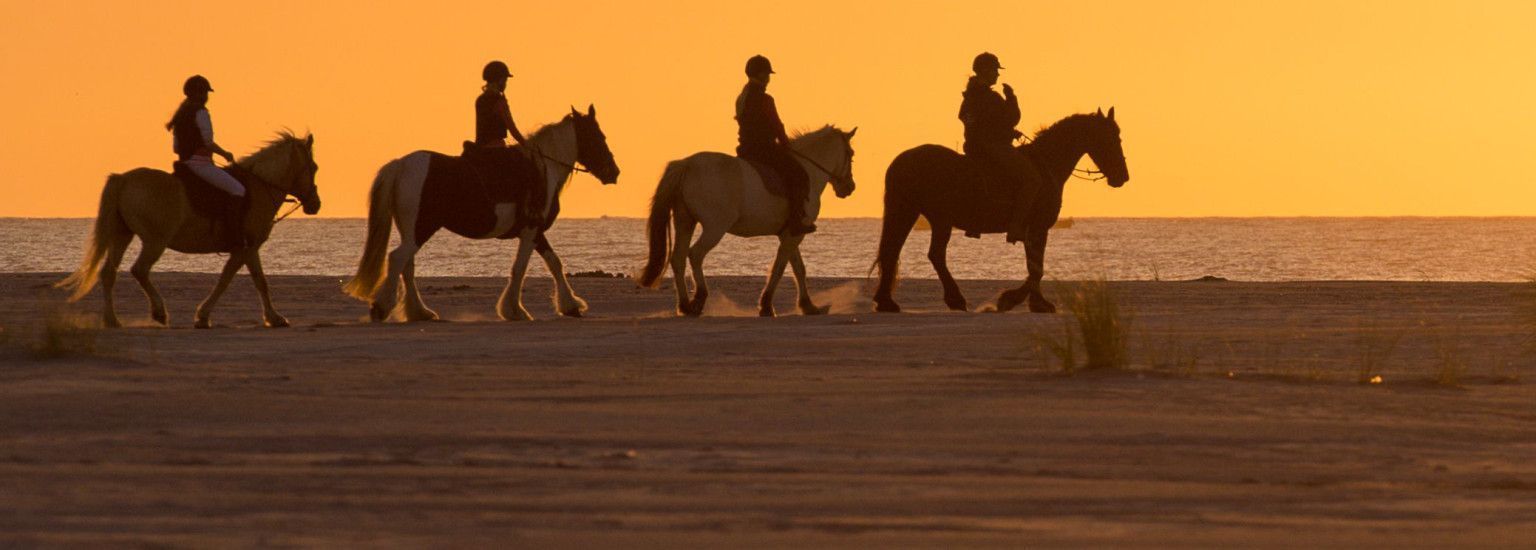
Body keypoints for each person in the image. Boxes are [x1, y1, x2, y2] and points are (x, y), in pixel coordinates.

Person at [958, 52, 1044, 244]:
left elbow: (979, 123)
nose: (997, 75)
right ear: (986, 71)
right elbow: (1011, 118)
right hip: (993, 148)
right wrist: (1011, 97)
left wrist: (1007, 132)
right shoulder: (990, 97)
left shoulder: (970, 97)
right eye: (995, 70)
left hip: (974, 147)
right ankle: (1015, 227)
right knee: (1032, 179)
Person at [736, 55, 814, 235]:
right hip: (765, 149)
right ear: (762, 75)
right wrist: (786, 145)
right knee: (800, 175)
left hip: (745, 149)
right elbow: (777, 125)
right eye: (767, 74)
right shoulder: (765, 99)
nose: (769, 79)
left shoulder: (741, 97)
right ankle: (795, 221)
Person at [166, 75, 246, 248]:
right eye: (205, 93)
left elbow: (176, 148)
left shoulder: (180, 115)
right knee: (238, 189)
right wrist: (225, 154)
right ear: (200, 94)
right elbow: (208, 142)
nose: (207, 97)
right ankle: (233, 237)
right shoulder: (201, 113)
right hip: (200, 164)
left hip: (184, 164)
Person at [473, 60, 545, 227]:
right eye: (504, 80)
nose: (505, 83)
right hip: (496, 149)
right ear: (498, 80)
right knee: (527, 172)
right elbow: (511, 127)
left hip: (480, 149)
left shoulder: (481, 99)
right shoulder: (499, 101)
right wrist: (526, 145)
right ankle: (524, 213)